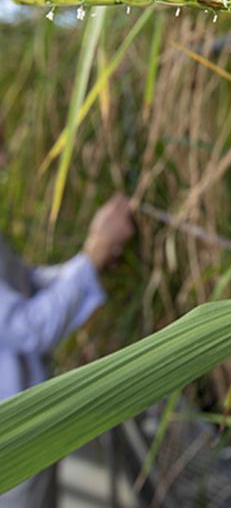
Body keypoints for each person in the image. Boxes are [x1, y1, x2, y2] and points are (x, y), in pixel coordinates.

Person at [0, 194, 135, 508]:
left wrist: (88, 261)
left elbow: (26, 284)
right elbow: (29, 328)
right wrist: (92, 256)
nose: (4, 157)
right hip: (14, 442)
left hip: (31, 429)